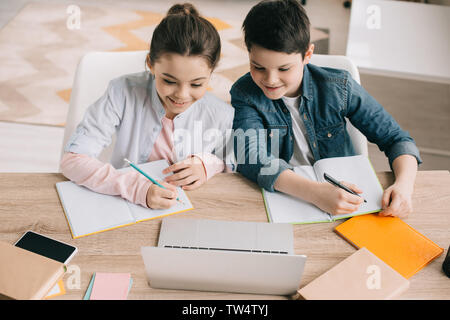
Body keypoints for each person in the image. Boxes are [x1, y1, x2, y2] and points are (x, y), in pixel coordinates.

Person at [230, 0, 421, 218]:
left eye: (284, 68)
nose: (270, 80)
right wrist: (316, 193)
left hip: (348, 198)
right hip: (288, 197)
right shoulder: (245, 93)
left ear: (308, 55)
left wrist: (405, 186)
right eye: (258, 67)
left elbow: (396, 138)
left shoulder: (338, 87)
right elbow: (250, 157)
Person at [61, 3, 234, 210]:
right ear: (150, 63)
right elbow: (73, 160)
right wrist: (135, 188)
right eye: (169, 81)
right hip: (123, 205)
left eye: (196, 84)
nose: (181, 95)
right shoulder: (122, 92)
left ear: (211, 72)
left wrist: (208, 165)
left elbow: (234, 162)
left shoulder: (221, 114)